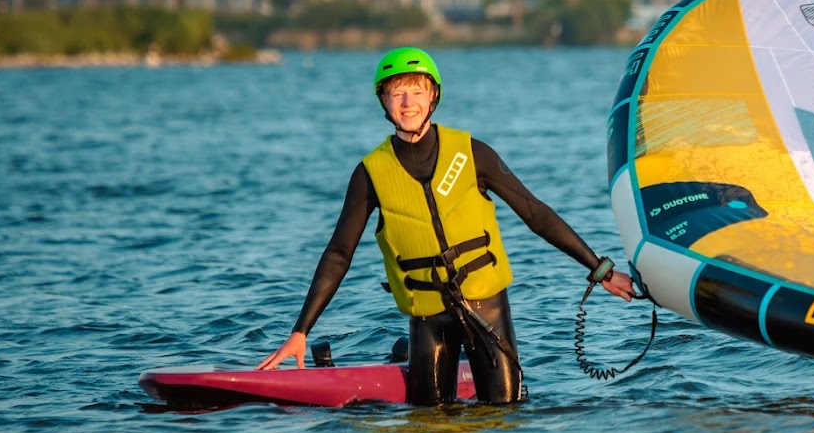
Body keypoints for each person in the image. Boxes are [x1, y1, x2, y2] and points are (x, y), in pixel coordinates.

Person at [257, 46, 634, 404]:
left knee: (504, 418)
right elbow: (339, 254)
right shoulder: (371, 173)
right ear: (384, 102)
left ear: (433, 97)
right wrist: (300, 331)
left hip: (488, 313)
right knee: (427, 429)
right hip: (428, 319)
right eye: (397, 93)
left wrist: (600, 269)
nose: (408, 103)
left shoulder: (472, 153)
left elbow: (535, 213)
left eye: (417, 91)